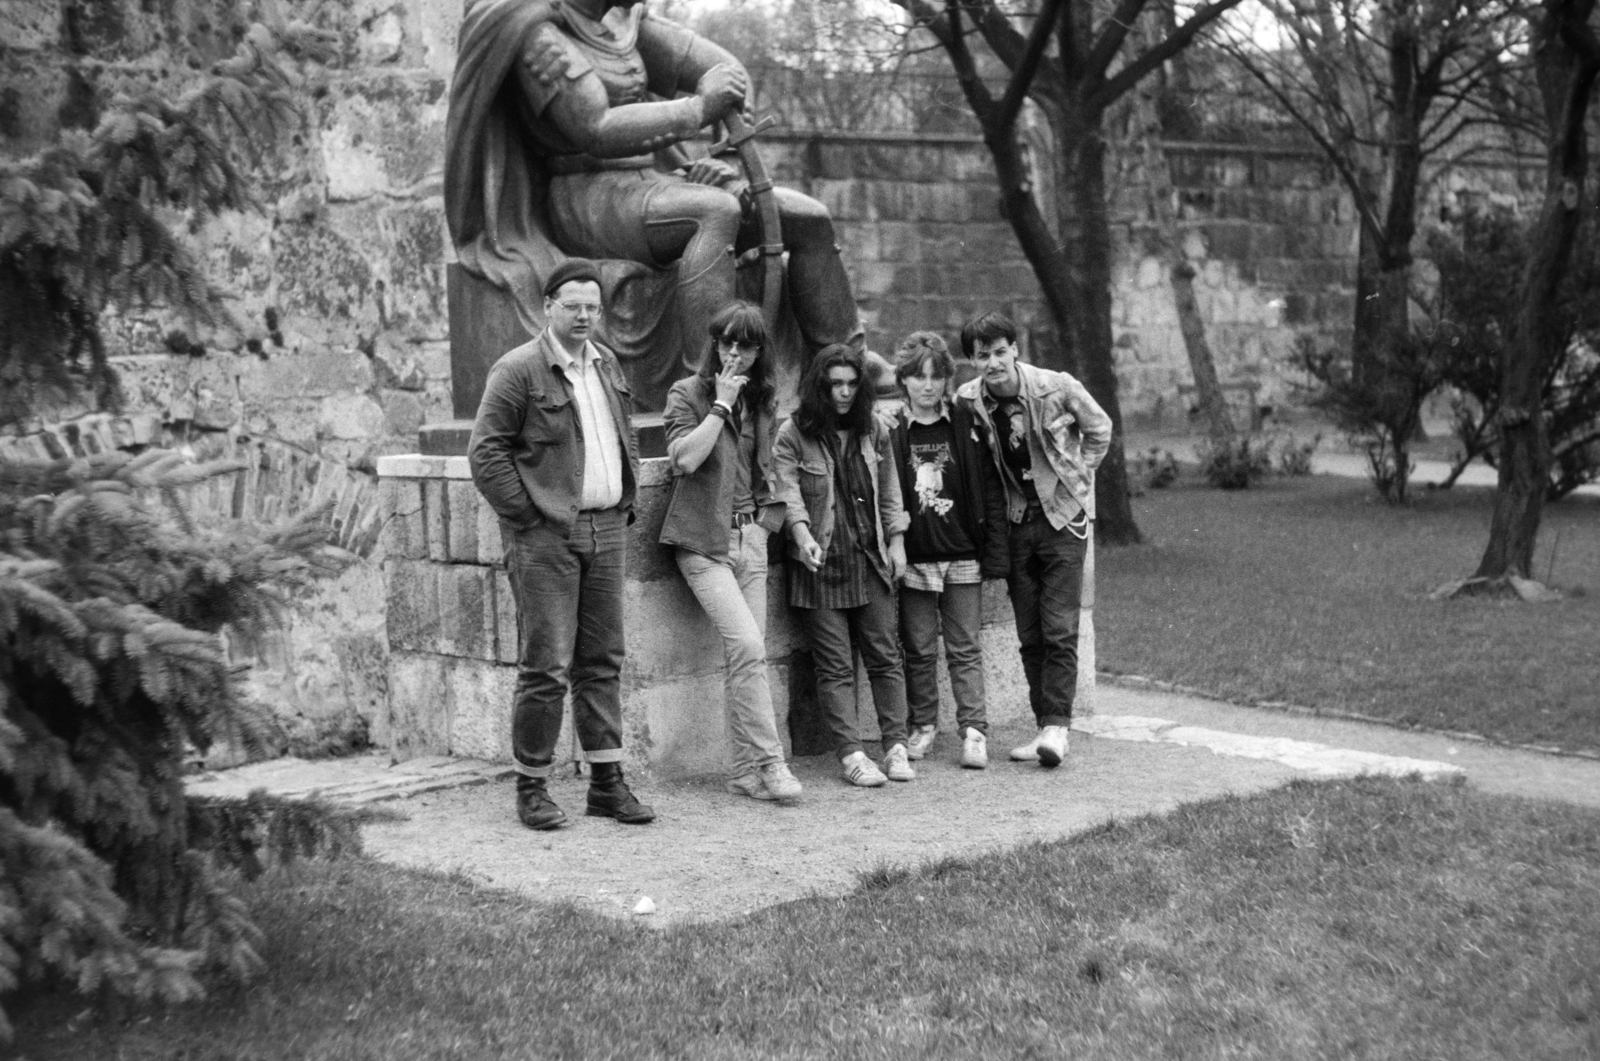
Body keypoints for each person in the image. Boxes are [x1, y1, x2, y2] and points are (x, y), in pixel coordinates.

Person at [445, 0, 863, 407]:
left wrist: (725, 160)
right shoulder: (538, 33)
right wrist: (699, 108)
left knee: (808, 218)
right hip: (587, 194)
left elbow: (727, 73)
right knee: (714, 213)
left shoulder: (626, 25)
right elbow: (595, 127)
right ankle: (705, 386)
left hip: (657, 181)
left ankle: (843, 363)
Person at [467, 258, 655, 830]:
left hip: (607, 530)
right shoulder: (518, 370)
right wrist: (529, 516)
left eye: (592, 307)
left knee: (602, 662)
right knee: (546, 665)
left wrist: (625, 502)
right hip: (547, 537)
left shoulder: (607, 365)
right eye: (572, 306)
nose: (583, 316)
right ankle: (532, 787)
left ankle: (606, 783)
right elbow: (486, 452)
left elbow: (622, 437)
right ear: (548, 306)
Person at [659, 301, 803, 805]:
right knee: (747, 647)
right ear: (714, 345)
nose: (735, 354)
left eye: (746, 345)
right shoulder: (687, 393)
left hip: (751, 540)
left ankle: (744, 774)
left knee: (747, 660)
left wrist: (770, 523)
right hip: (702, 542)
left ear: (760, 352)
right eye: (726, 343)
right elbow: (685, 460)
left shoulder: (763, 400)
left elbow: (776, 468)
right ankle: (771, 762)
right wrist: (720, 406)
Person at [954, 312, 1112, 768]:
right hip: (1015, 522)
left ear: (1015, 350)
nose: (993, 363)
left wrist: (1077, 480)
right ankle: (1046, 726)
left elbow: (1099, 429)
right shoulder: (970, 400)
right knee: (1029, 633)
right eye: (982, 355)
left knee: (1059, 626)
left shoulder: (1054, 386)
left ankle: (1058, 729)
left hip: (1063, 519)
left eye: (1000, 351)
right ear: (973, 361)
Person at [774, 345, 912, 787]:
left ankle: (895, 746)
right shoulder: (794, 433)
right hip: (820, 564)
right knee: (834, 665)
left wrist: (897, 541)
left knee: (886, 656)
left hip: (870, 558)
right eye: (836, 384)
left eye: (853, 384)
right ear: (820, 386)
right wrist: (802, 535)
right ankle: (852, 754)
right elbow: (786, 490)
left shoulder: (873, 429)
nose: (845, 393)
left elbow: (890, 490)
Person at [887, 333, 1009, 770]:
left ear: (946, 380)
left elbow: (988, 487)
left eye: (936, 376)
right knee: (918, 647)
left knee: (964, 646)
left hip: (962, 554)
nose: (927, 385)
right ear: (903, 380)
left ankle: (973, 729)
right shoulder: (894, 428)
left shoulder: (964, 423)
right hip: (917, 556)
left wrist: (991, 550)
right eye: (918, 377)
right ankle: (922, 725)